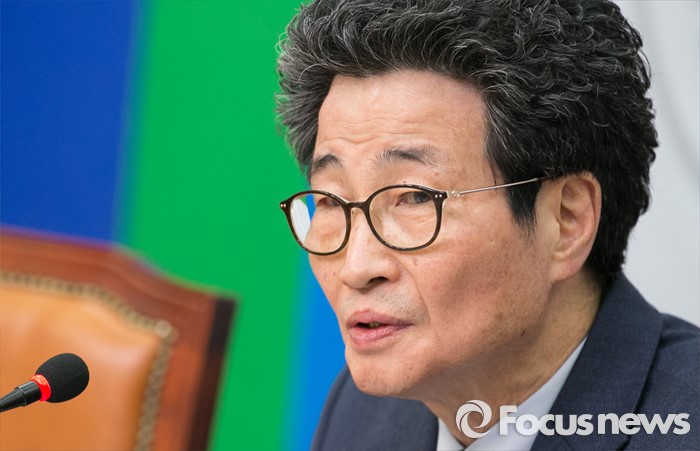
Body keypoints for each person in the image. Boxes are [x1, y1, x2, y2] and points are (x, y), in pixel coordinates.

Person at [275, 0, 699, 449]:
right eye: (330, 200)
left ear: (566, 221)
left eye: (415, 198)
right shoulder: (363, 414)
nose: (356, 267)